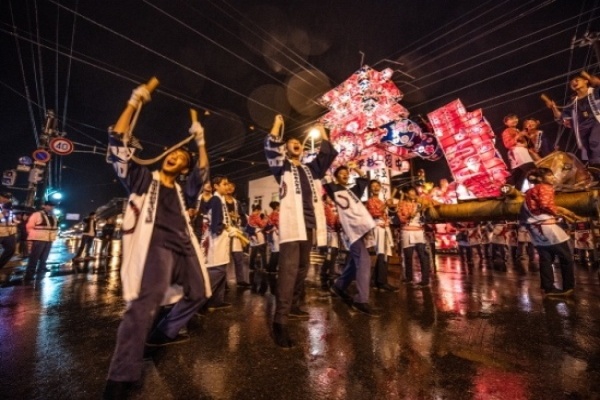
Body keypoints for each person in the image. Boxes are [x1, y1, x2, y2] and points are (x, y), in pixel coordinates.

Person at [103, 83, 211, 399]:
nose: (173, 156)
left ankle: (163, 333)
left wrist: (201, 140)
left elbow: (202, 171)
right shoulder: (140, 178)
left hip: (185, 245)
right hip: (156, 245)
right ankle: (120, 377)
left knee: (200, 292)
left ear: (184, 168)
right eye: (172, 152)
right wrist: (135, 100)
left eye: (180, 156)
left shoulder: (183, 190)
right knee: (142, 306)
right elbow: (117, 143)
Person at [264, 114, 337, 348]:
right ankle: (280, 321)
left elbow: (327, 153)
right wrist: (276, 123)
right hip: (291, 224)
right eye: (291, 142)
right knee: (288, 269)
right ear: (286, 149)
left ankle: (294, 305)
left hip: (309, 224)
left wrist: (322, 131)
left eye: (299, 141)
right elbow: (270, 146)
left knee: (303, 267)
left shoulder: (310, 169)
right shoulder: (282, 167)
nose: (296, 143)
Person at [519, 168, 582, 296]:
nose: (553, 178)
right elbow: (546, 205)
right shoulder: (545, 187)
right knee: (566, 257)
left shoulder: (529, 192)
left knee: (546, 258)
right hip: (547, 227)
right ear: (541, 179)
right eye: (549, 175)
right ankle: (568, 288)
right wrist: (559, 212)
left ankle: (548, 288)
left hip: (535, 229)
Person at [327, 164, 378, 315]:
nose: (345, 175)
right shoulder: (333, 189)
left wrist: (355, 168)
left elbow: (363, 179)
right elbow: (325, 177)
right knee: (364, 261)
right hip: (350, 230)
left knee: (356, 263)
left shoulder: (352, 191)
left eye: (346, 173)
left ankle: (338, 286)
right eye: (341, 173)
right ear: (336, 177)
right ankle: (361, 300)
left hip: (361, 228)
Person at [549, 71, 600, 168]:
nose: (574, 83)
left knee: (594, 141)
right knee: (587, 149)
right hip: (582, 128)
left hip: (597, 122)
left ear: (586, 81)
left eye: (577, 80)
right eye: (571, 83)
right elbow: (561, 117)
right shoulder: (573, 101)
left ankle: (597, 164)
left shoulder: (595, 92)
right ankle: (595, 169)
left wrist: (598, 82)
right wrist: (554, 108)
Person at [200, 175, 235, 310]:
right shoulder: (215, 200)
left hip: (220, 240)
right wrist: (225, 230)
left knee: (222, 270)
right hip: (216, 240)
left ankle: (217, 301)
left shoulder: (219, 200)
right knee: (217, 270)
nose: (227, 187)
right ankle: (200, 301)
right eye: (224, 184)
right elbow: (215, 226)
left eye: (227, 184)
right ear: (216, 186)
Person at [397, 186, 435, 287]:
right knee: (408, 256)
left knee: (423, 255)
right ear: (406, 194)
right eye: (410, 192)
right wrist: (414, 212)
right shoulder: (401, 204)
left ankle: (425, 279)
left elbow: (430, 206)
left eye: (414, 192)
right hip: (406, 231)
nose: (413, 194)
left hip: (418, 231)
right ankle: (409, 277)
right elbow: (402, 218)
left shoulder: (419, 203)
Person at [365, 179, 398, 292]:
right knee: (383, 253)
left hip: (384, 227)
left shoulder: (380, 200)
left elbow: (390, 211)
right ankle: (382, 282)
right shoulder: (370, 201)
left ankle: (376, 280)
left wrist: (390, 206)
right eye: (373, 186)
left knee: (384, 253)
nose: (375, 187)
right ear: (370, 189)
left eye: (377, 185)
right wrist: (385, 205)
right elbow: (375, 213)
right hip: (378, 227)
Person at [225, 182, 251, 288]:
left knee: (238, 257)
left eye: (233, 186)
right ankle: (224, 282)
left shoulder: (237, 203)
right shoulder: (219, 201)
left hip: (236, 232)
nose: (230, 188)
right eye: (228, 185)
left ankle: (240, 280)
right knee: (224, 259)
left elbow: (243, 216)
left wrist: (239, 220)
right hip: (224, 232)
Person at [501, 114, 537, 191]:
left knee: (518, 176)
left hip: (522, 153)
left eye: (515, 118)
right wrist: (519, 135)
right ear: (506, 123)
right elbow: (507, 144)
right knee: (532, 171)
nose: (514, 120)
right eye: (511, 119)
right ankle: (541, 188)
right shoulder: (506, 131)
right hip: (517, 153)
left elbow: (527, 141)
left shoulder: (517, 130)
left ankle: (508, 191)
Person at [24, 201, 58, 279]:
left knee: (44, 256)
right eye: (50, 206)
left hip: (49, 239)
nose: (52, 207)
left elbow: (54, 227)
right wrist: (34, 235)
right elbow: (29, 226)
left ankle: (41, 268)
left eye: (53, 206)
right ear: (44, 206)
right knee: (34, 256)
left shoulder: (53, 216)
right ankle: (30, 272)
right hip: (38, 238)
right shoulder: (37, 214)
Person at [319, 194, 341, 290]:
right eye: (329, 197)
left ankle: (326, 271)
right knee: (331, 254)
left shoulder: (332, 207)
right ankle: (328, 272)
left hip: (333, 233)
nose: (330, 199)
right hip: (328, 234)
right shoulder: (324, 207)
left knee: (333, 253)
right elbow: (330, 221)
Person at [247, 204, 269, 292]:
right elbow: (262, 224)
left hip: (252, 234)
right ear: (257, 210)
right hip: (257, 233)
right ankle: (264, 266)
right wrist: (266, 219)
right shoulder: (256, 216)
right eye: (259, 210)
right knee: (262, 250)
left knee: (253, 250)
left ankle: (251, 266)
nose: (260, 212)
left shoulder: (250, 216)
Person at [0, 193, 17, 269]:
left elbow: (12, 219)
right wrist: (2, 214)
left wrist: (16, 221)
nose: (7, 199)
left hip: (9, 233)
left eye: (8, 198)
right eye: (5, 197)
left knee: (11, 249)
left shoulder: (9, 207)